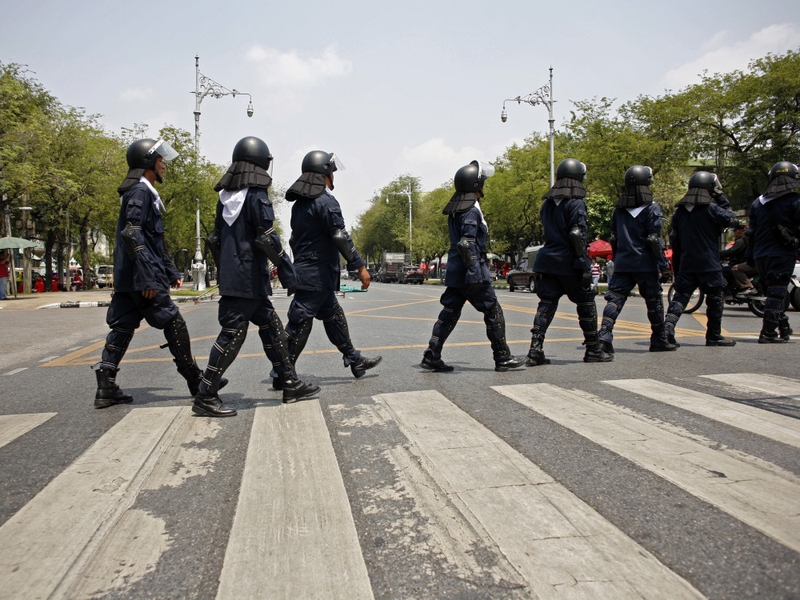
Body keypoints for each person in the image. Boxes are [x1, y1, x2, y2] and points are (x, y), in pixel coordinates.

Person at [192, 137, 320, 417]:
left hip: (239, 278)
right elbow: (266, 238)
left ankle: (289, 381)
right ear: (261, 163)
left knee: (272, 328)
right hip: (248, 278)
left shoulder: (225, 197)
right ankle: (205, 393)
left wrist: (226, 271)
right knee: (232, 335)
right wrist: (288, 271)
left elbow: (214, 240)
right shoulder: (257, 195)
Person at [92, 138, 221, 408]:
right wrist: (149, 278)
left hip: (131, 278)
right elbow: (133, 235)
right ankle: (195, 381)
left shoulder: (141, 191)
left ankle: (106, 383)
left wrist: (170, 270)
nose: (164, 165)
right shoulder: (140, 191)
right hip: (141, 278)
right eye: (161, 160)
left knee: (123, 326)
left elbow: (152, 241)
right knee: (174, 322)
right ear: (149, 162)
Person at [275, 150, 382, 386]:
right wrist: (360, 266)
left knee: (333, 315)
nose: (334, 176)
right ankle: (282, 373)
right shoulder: (325, 201)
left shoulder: (301, 205)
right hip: (317, 274)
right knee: (300, 321)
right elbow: (340, 236)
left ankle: (354, 359)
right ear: (324, 173)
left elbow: (295, 240)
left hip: (311, 272)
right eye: (332, 172)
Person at [420, 161, 524, 372]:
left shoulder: (458, 209)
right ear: (475, 185)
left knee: (449, 311)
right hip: (471, 270)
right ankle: (502, 357)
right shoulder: (471, 211)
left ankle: (432, 354)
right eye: (482, 182)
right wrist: (476, 274)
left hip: (458, 270)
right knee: (493, 311)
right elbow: (467, 244)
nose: (484, 185)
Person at [525, 158, 612, 365]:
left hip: (548, 260)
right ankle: (593, 349)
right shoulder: (576, 202)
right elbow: (575, 233)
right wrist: (583, 262)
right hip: (569, 260)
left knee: (546, 304)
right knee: (586, 302)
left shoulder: (547, 203)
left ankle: (535, 350)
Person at [598, 165, 676, 355]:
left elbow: (614, 239)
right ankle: (658, 339)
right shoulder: (651, 208)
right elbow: (653, 239)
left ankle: (603, 337)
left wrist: (618, 259)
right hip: (645, 263)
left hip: (624, 263)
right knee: (654, 301)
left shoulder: (619, 211)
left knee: (614, 300)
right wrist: (664, 267)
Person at [665, 171, 739, 347]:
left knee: (680, 297)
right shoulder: (711, 209)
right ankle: (713, 334)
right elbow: (731, 219)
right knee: (715, 298)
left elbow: (675, 240)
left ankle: (667, 329)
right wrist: (721, 198)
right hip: (708, 262)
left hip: (687, 262)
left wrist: (677, 266)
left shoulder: (680, 213)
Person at [746, 161, 800, 343]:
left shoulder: (757, 203)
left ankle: (784, 328)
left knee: (773, 293)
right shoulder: (795, 200)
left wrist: (750, 254)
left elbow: (750, 233)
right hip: (781, 253)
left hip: (760, 255)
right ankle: (768, 333)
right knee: (777, 293)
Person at [719, 223, 757, 296]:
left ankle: (730, 292)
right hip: (752, 262)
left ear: (738, 231)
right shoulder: (749, 240)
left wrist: (717, 254)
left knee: (730, 269)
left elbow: (731, 251)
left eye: (734, 231)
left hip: (749, 263)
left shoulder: (742, 240)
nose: (733, 233)